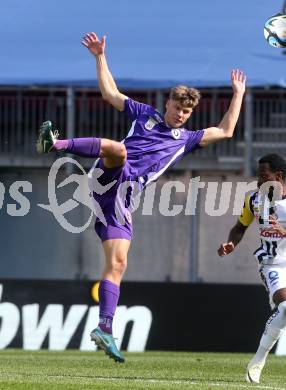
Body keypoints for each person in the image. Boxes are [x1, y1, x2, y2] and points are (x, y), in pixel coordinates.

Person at [36, 32, 246, 363]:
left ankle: (105, 328)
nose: (181, 115)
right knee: (117, 149)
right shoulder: (143, 114)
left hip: (122, 200)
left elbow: (226, 131)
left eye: (186, 112)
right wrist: (99, 56)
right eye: (178, 108)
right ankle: (55, 144)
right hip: (108, 175)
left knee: (118, 263)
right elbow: (110, 93)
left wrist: (239, 94)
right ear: (168, 103)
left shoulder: (185, 139)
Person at [218, 153, 286, 384]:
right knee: (285, 306)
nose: (258, 180)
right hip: (272, 264)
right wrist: (231, 243)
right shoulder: (254, 200)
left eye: (263, 175)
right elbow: (239, 227)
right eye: (258, 175)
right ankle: (258, 361)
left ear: (278, 176)